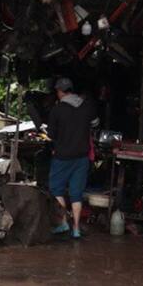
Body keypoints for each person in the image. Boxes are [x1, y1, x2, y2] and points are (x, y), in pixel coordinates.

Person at [45, 76, 97, 239]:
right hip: (82, 156)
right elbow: (95, 123)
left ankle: (62, 223)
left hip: (63, 156)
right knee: (76, 193)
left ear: (60, 92)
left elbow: (51, 134)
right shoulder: (86, 106)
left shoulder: (57, 109)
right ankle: (76, 229)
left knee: (57, 189)